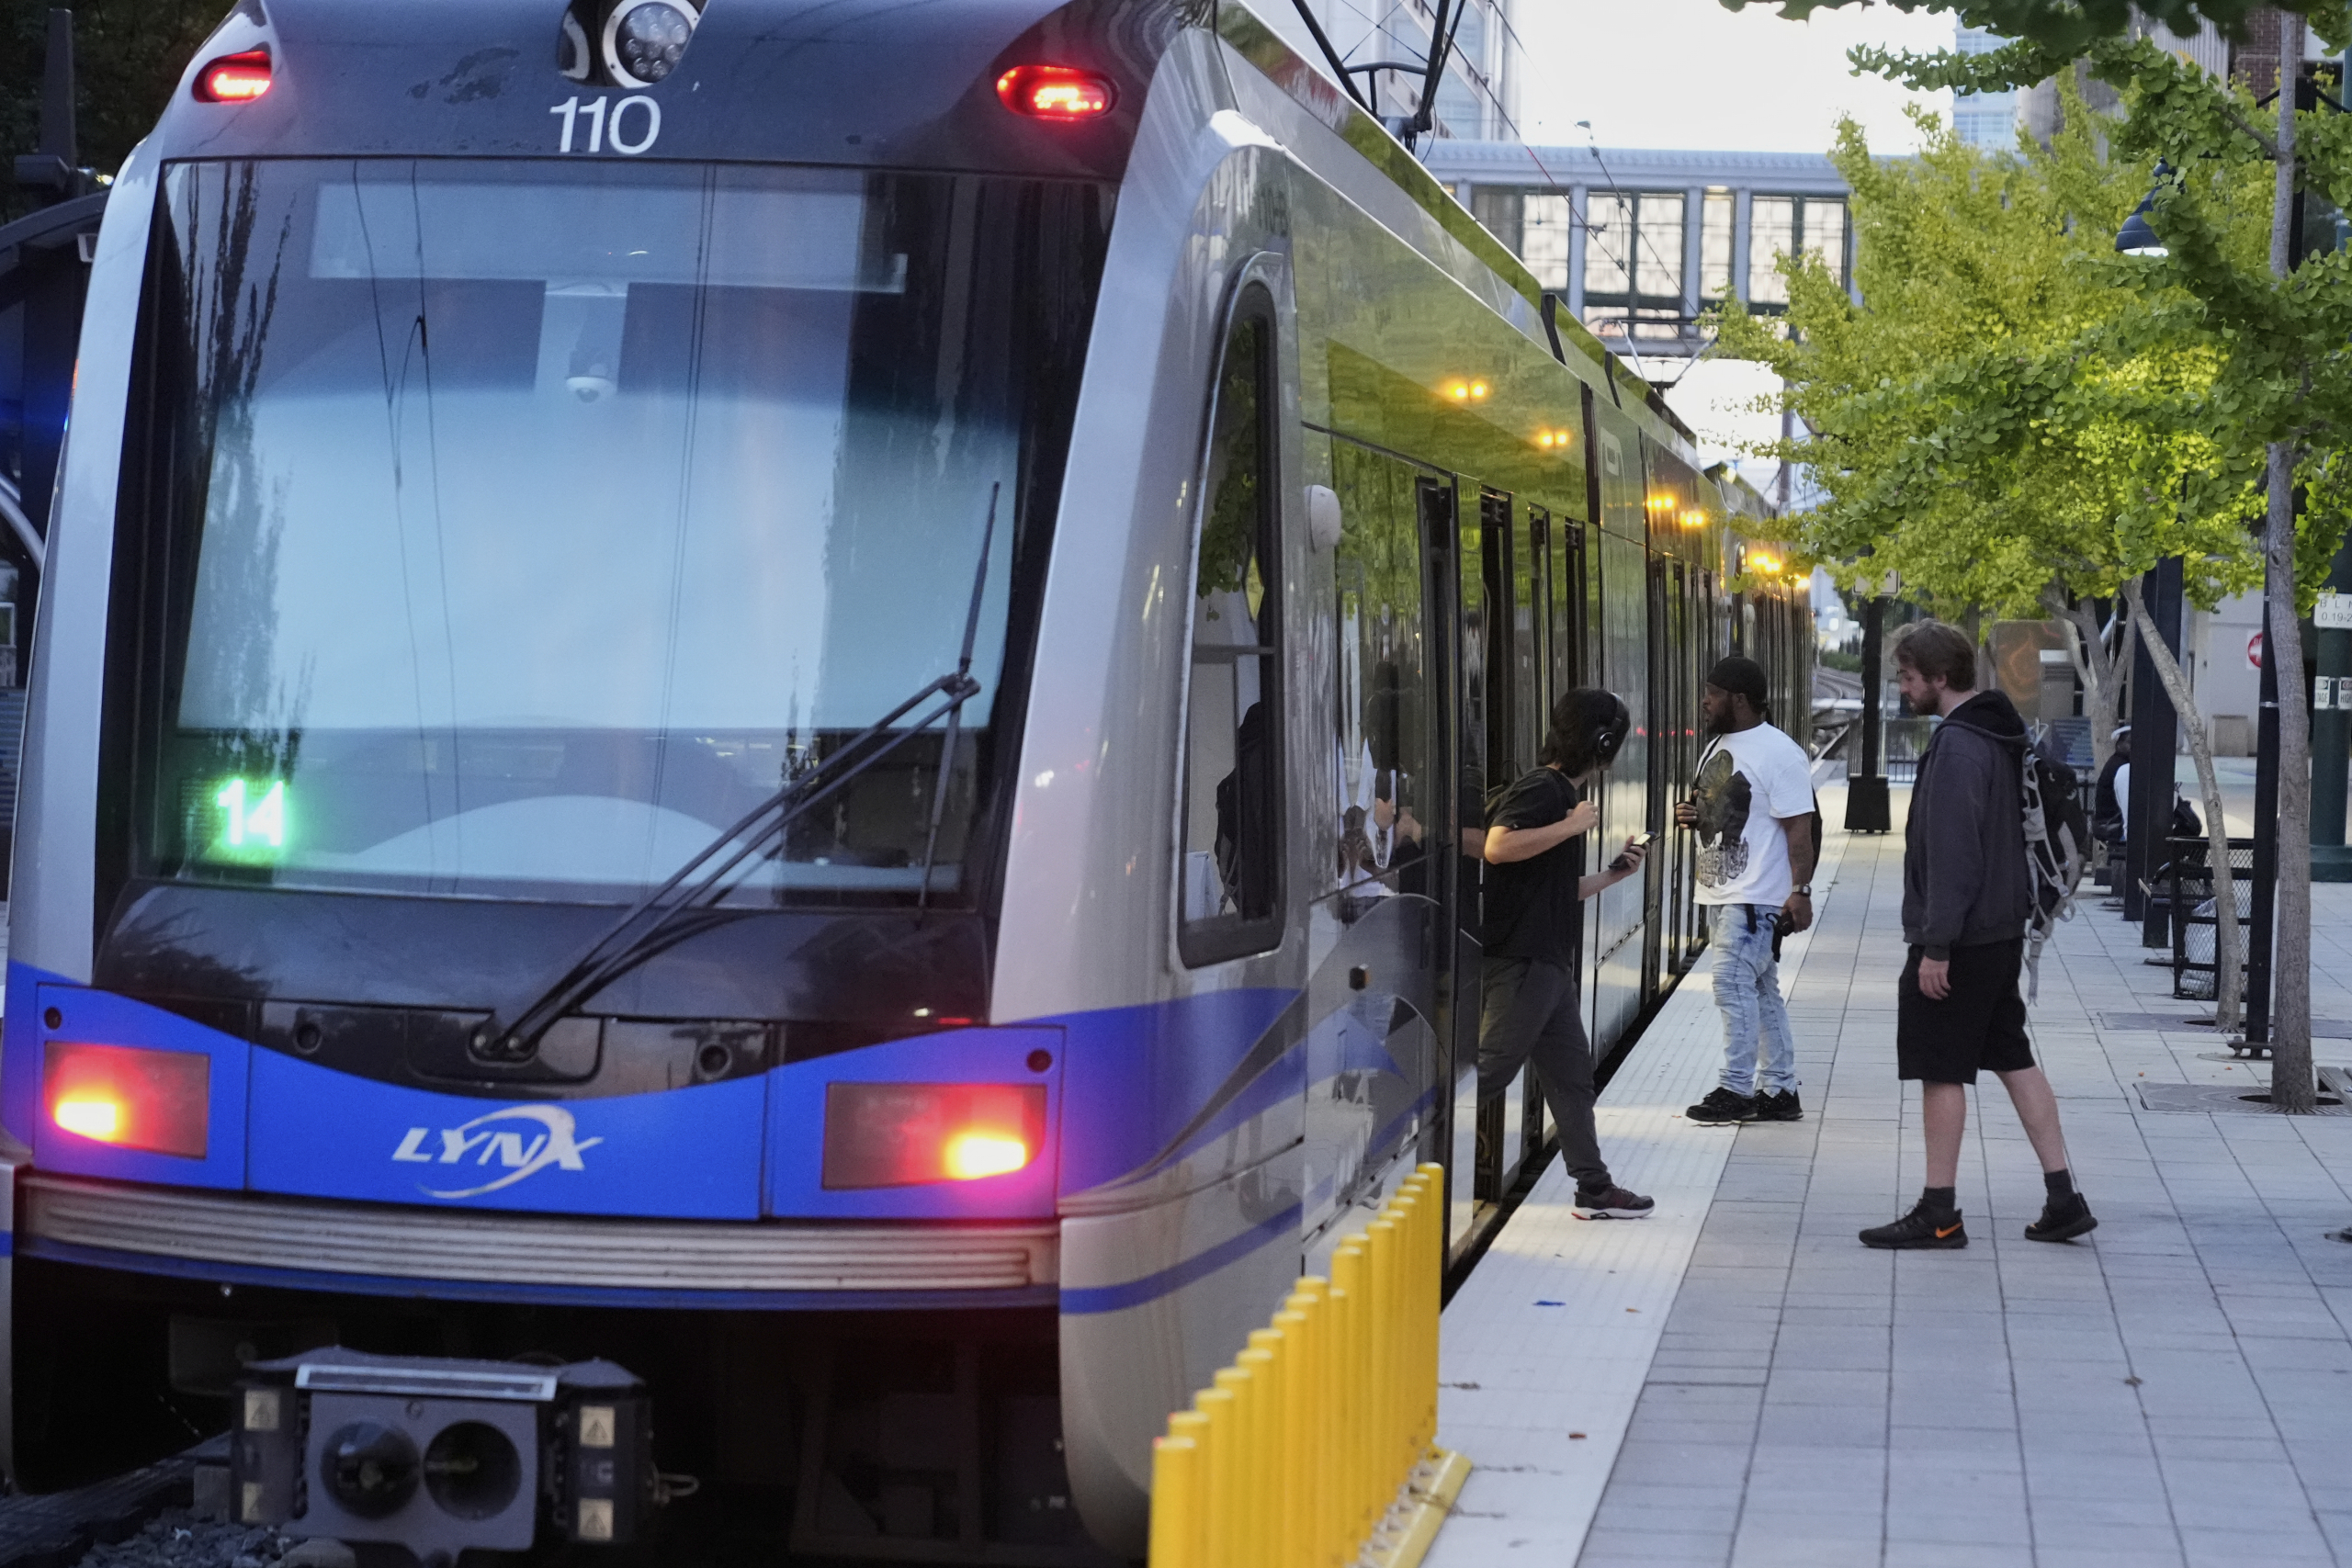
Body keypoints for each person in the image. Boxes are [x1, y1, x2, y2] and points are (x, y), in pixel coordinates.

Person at [1860, 620, 2097, 1248]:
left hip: (1962, 939)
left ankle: (1939, 1211)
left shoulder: (1960, 747)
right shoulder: (1996, 732)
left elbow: (1955, 853)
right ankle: (2063, 1197)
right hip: (1998, 930)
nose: (1903, 687)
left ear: (1940, 678)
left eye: (1909, 677)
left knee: (1941, 1068)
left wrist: (1936, 946)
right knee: (2013, 1057)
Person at [1480, 689, 1654, 1219]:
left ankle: (1594, 1188)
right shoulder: (1545, 789)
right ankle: (1396, 1150)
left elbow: (1556, 887)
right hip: (1526, 963)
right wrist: (1572, 825)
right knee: (1488, 1072)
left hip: (1549, 965)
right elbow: (1497, 846)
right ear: (1602, 744)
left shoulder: (1560, 795)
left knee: (1571, 1078)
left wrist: (1613, 873)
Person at [1676, 656, 1819, 1126]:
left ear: (1737, 699)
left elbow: (1801, 828)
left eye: (1711, 693)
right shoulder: (1718, 744)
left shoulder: (1779, 752)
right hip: (1723, 891)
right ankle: (1779, 1090)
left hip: (1755, 896)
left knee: (1731, 984)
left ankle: (1737, 1088)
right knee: (1759, 990)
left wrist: (1800, 890)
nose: (1704, 701)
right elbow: (1724, 811)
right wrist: (1696, 815)